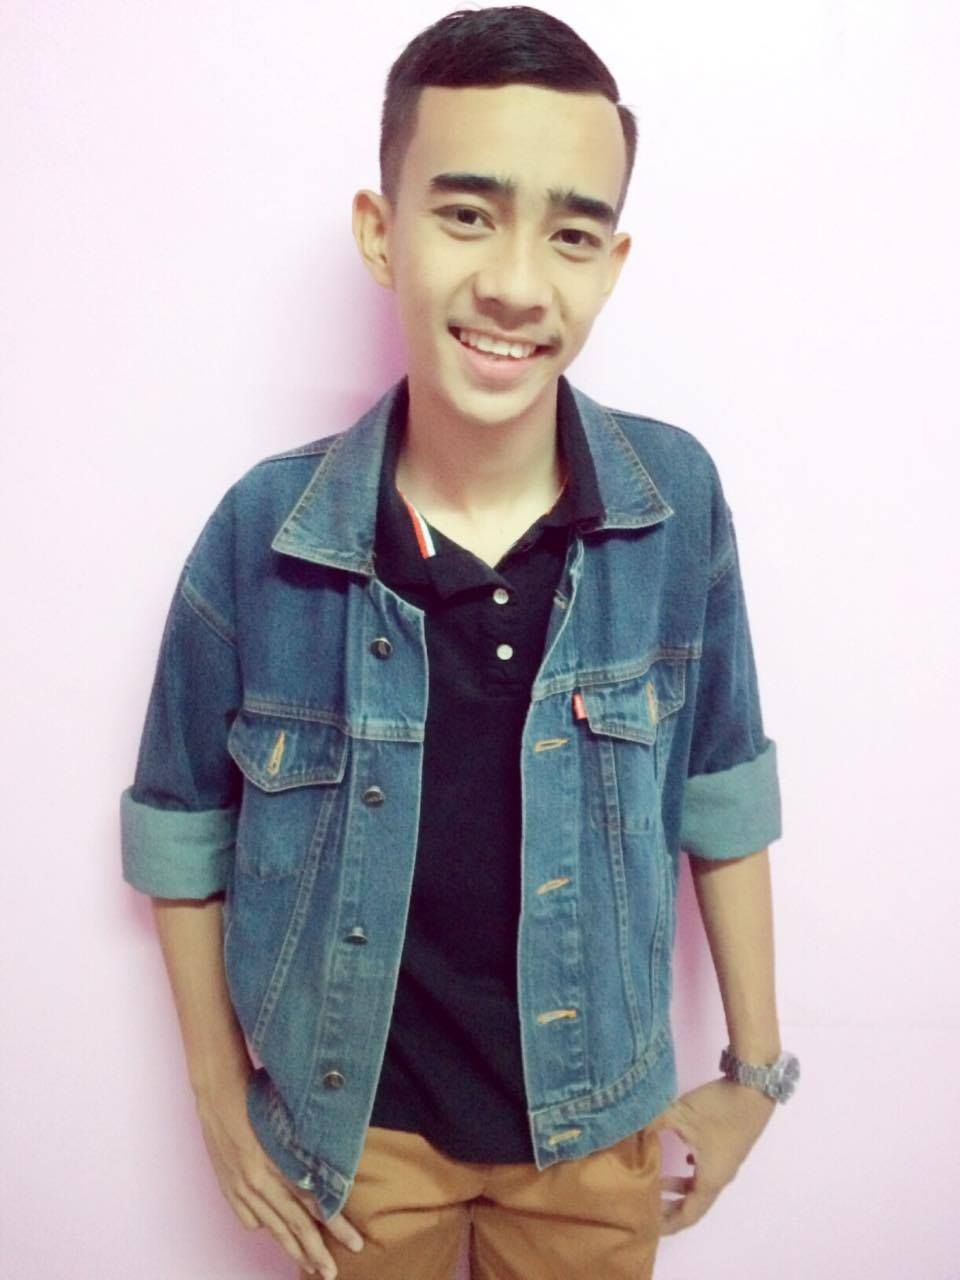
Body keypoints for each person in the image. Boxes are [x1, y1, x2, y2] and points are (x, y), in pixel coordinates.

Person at [120, 7, 798, 1279]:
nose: (517, 283)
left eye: (572, 233)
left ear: (612, 263)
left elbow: (723, 784)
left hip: (598, 1135)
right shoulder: (266, 529)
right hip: (351, 1144)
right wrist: (216, 1094)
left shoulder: (677, 504)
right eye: (469, 213)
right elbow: (178, 824)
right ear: (383, 233)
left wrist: (756, 1070)